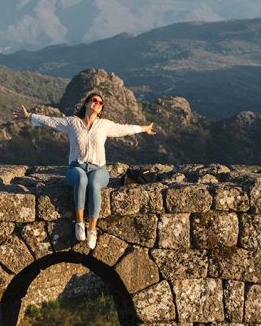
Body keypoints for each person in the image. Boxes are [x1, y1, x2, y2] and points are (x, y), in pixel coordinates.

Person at [13, 92, 155, 250]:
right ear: (86, 103)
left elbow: (124, 129)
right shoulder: (73, 122)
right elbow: (51, 121)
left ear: (101, 109)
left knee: (94, 184)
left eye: (101, 103)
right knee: (81, 179)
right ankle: (79, 223)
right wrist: (29, 115)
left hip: (99, 169)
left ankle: (92, 229)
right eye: (94, 100)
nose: (97, 104)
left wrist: (144, 128)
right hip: (76, 167)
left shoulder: (104, 125)